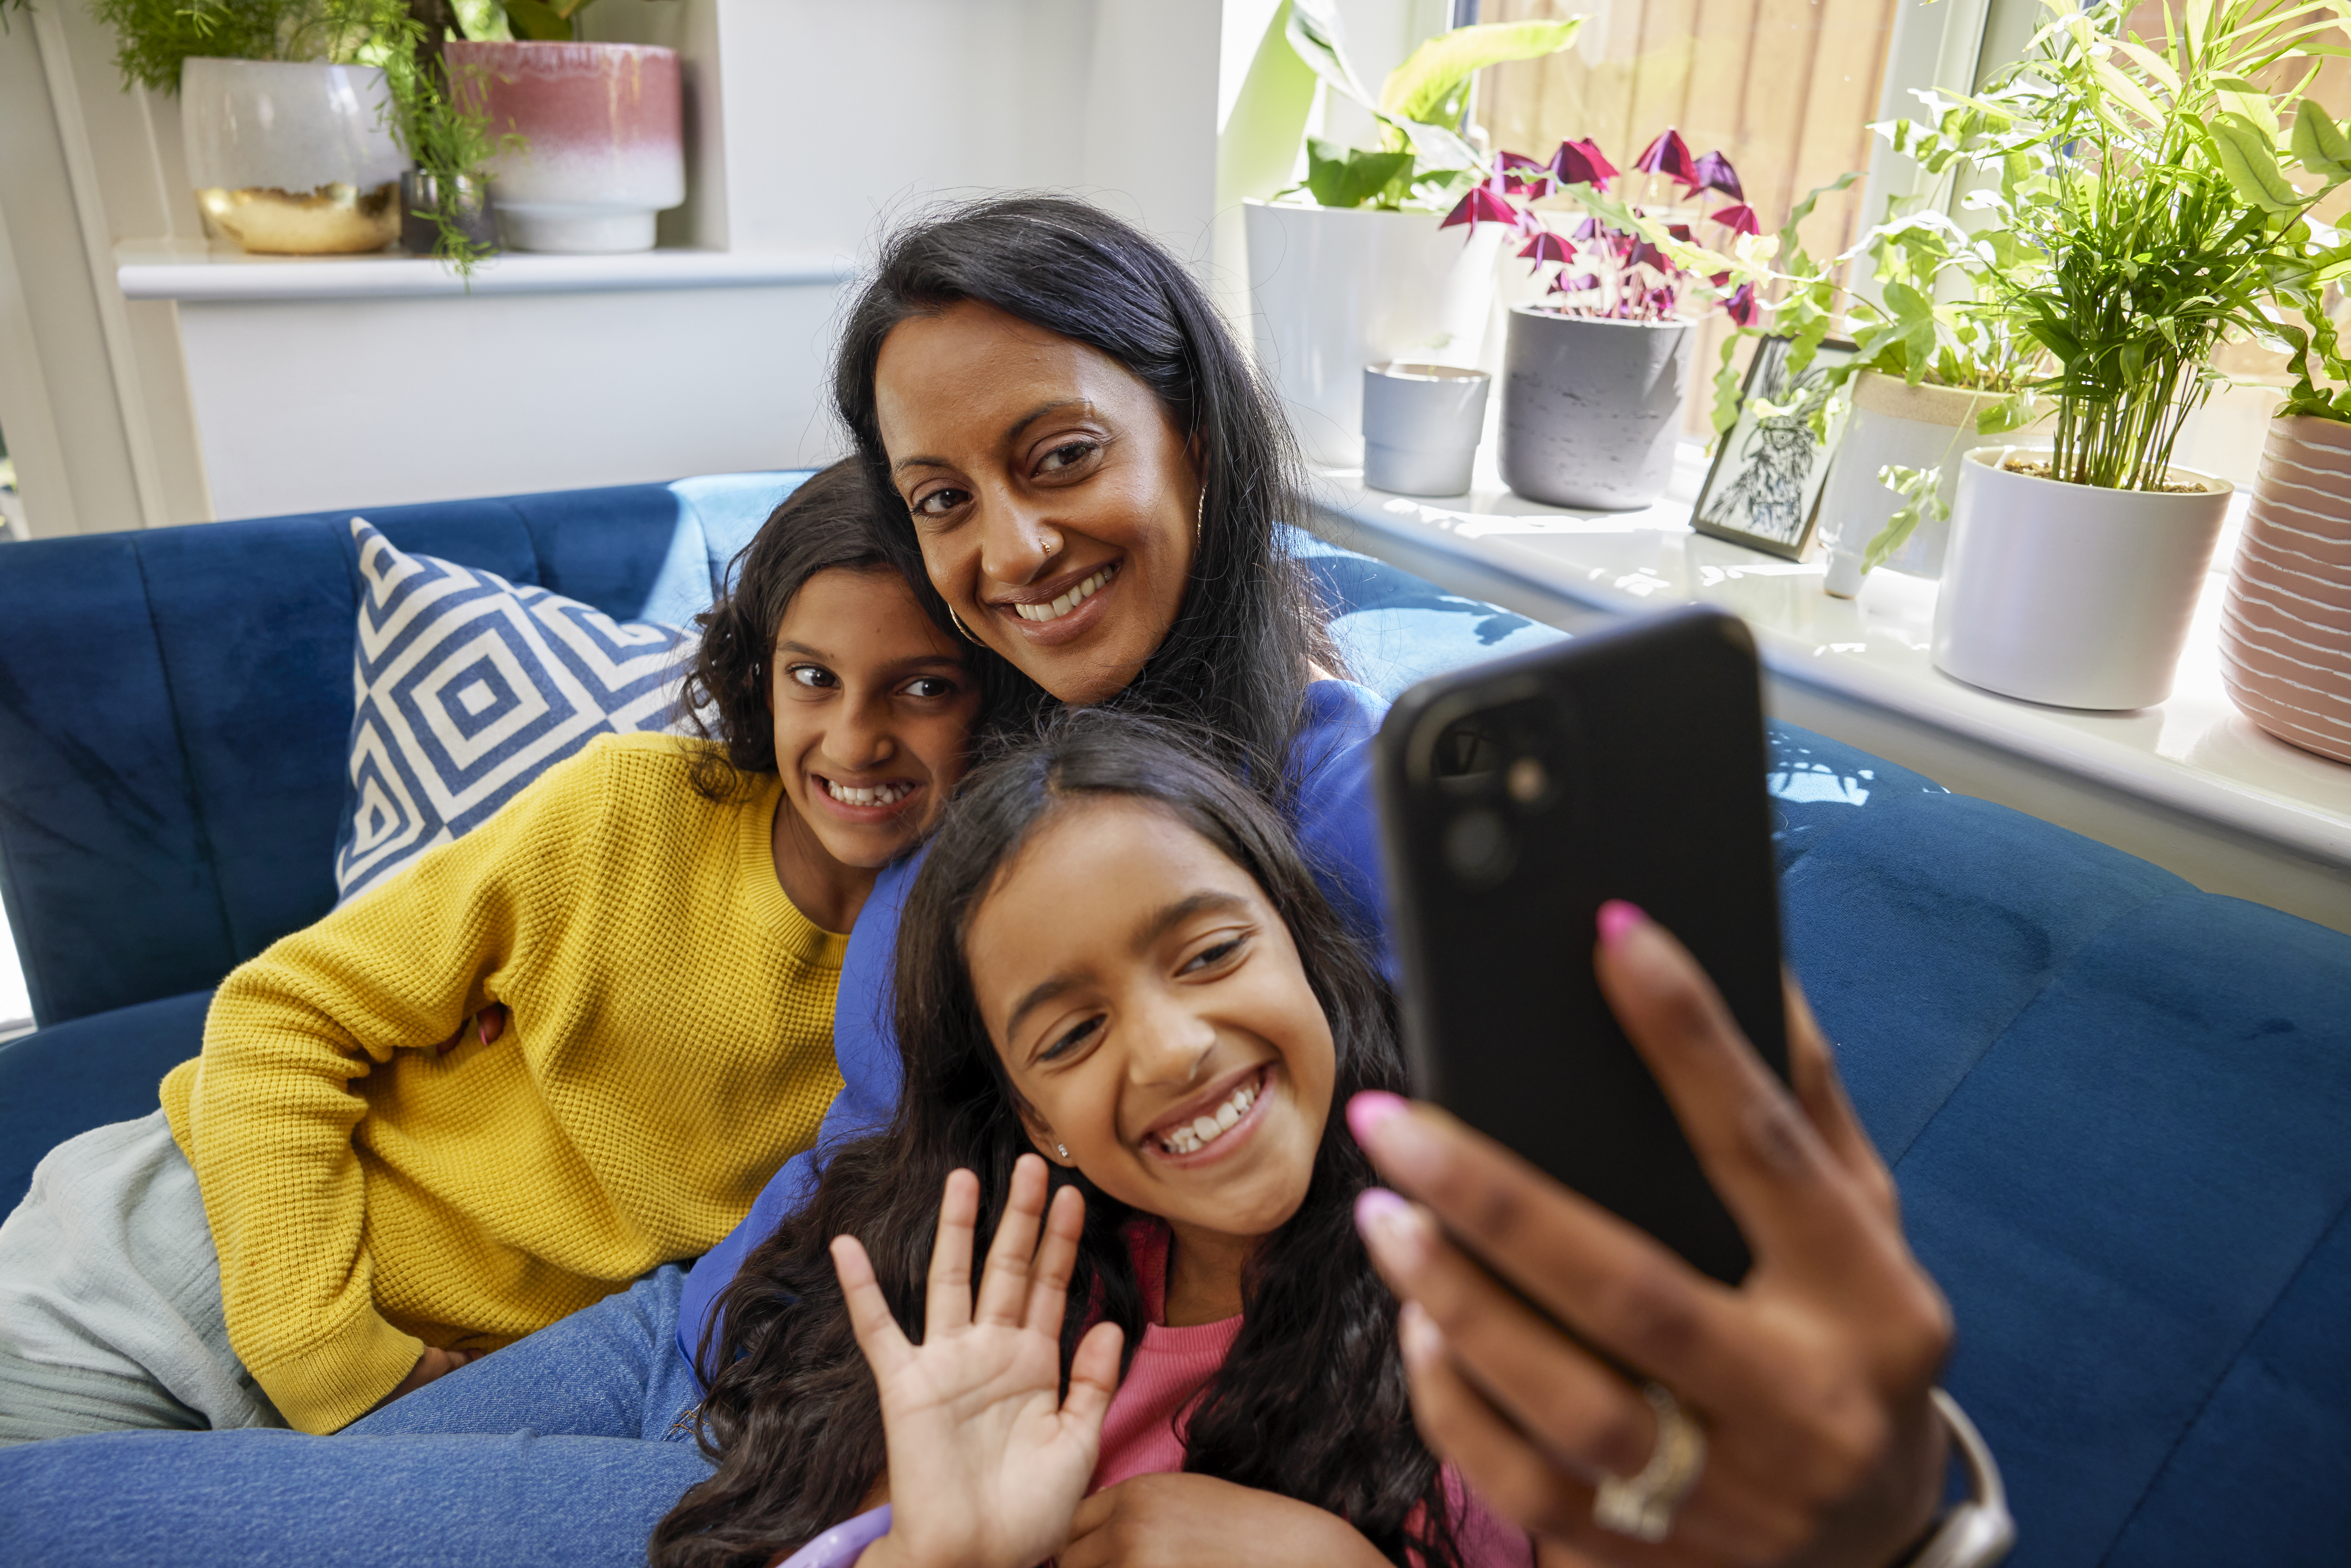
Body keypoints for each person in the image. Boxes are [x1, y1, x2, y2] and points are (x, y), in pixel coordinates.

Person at [0, 199, 1963, 1568]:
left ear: (1193, 435)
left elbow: (1653, 1263)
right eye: (945, 498)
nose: (1006, 549)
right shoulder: (991, 737)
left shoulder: (1342, 795)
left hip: (885, 1437)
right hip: (688, 1316)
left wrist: (1864, 1502)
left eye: (1058, 455)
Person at [0, 459, 984, 1444]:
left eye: (924, 688)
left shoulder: (970, 967)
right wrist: (339, 1363)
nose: (854, 741)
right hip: (173, 1268)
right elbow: (279, 1015)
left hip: (422, 1396)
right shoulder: (633, 807)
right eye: (813, 677)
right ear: (761, 673)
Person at [653, 711, 1533, 1568]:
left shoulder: (1490, 1304)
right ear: (1041, 1123)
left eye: (1211, 954)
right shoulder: (1000, 1335)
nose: (1172, 1051)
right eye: (1074, 1035)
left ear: (1300, 950)